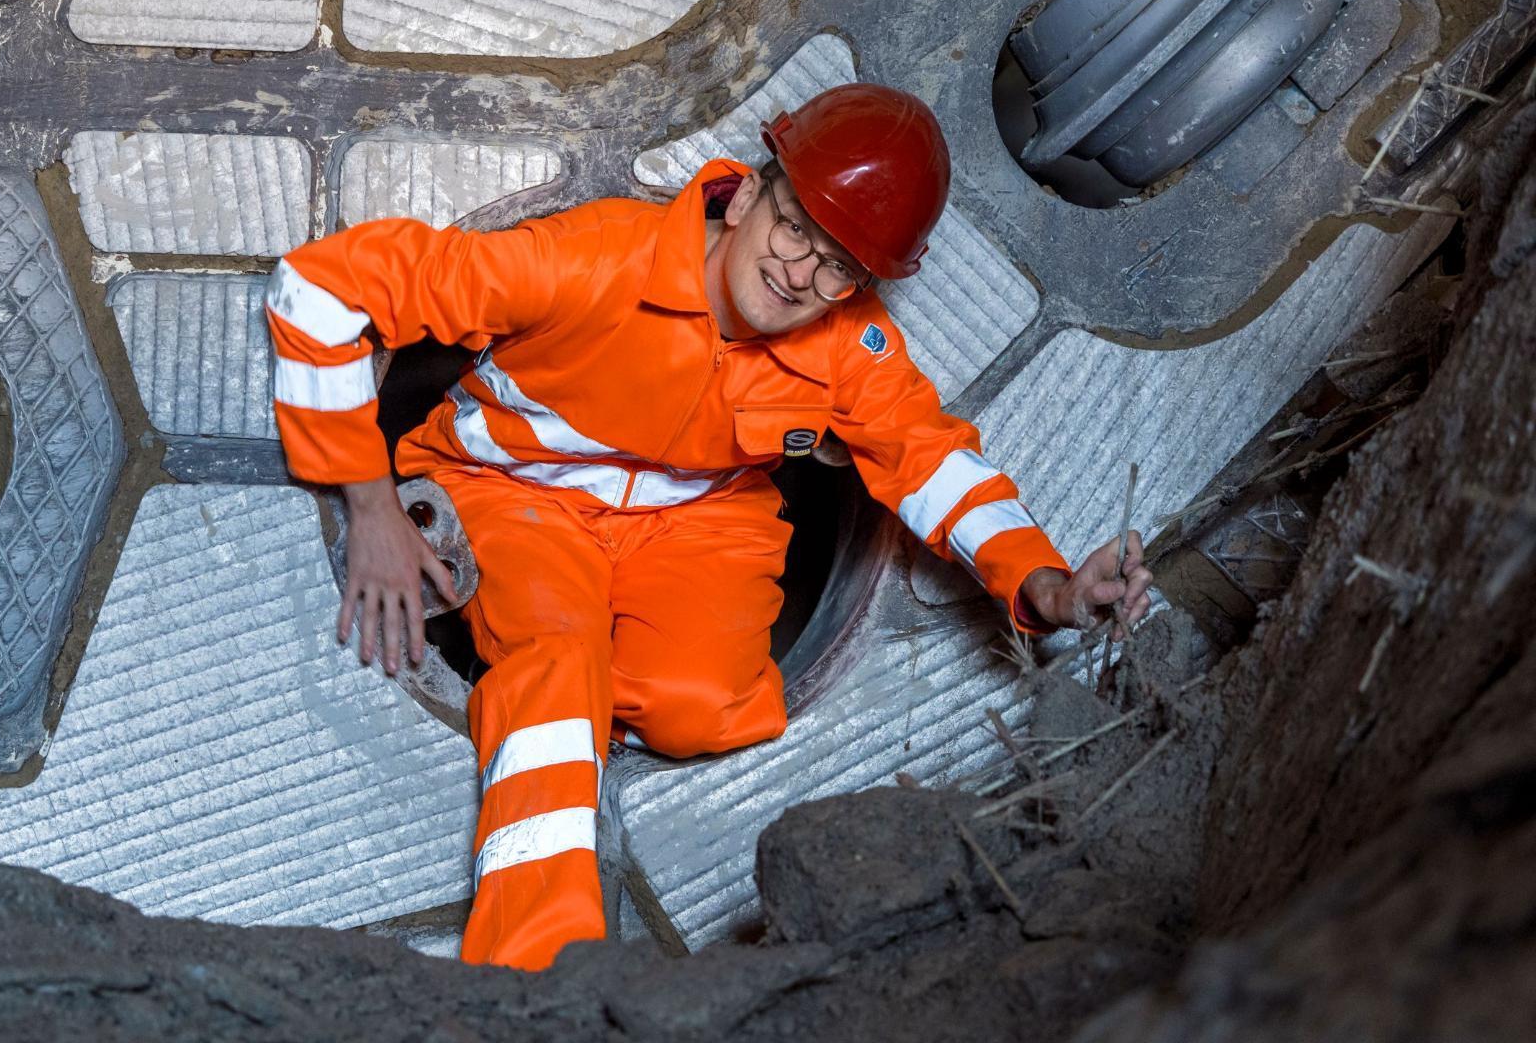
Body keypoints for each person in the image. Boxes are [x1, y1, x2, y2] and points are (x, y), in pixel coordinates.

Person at [263, 83, 1151, 969]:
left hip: (697, 517)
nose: (802, 274)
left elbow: (932, 462)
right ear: (753, 189)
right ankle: (535, 974)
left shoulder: (849, 346)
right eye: (797, 226)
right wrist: (370, 503)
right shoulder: (589, 258)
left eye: (839, 265)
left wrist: (1046, 584)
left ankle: (576, 687)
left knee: (702, 713)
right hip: (515, 490)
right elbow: (316, 292)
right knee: (555, 670)